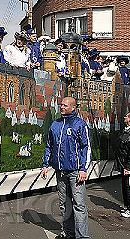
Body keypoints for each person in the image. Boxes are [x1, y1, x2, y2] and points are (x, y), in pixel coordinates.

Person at [41, 97, 91, 239]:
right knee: (64, 204)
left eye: (65, 105)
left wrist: (83, 169)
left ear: (73, 107)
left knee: (79, 205)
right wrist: (45, 165)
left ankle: (82, 237)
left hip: (75, 172)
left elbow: (86, 147)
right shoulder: (55, 125)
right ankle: (68, 233)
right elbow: (49, 146)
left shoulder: (80, 124)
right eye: (61, 105)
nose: (61, 107)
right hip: (60, 171)